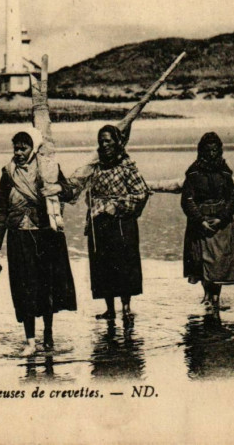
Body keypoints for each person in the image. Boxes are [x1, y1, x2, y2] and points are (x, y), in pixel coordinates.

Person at [0, 128, 77, 356]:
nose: (18, 153)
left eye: (23, 148)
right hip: (19, 237)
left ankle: (48, 335)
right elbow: (1, 210)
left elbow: (69, 192)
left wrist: (57, 188)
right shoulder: (8, 174)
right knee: (24, 289)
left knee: (47, 288)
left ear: (33, 148)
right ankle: (30, 342)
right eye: (15, 148)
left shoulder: (49, 168)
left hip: (46, 235)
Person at [84, 125, 150, 322]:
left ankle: (126, 307)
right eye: (101, 141)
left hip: (122, 223)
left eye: (108, 141)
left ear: (117, 142)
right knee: (103, 265)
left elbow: (141, 193)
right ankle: (110, 309)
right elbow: (89, 192)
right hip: (100, 222)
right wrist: (96, 203)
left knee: (124, 264)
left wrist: (118, 205)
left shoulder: (127, 166)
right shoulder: (95, 167)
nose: (104, 145)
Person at [181, 132, 234, 310]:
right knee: (201, 260)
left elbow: (232, 199)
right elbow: (187, 200)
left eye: (215, 150)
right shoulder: (193, 173)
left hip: (220, 222)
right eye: (208, 150)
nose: (211, 154)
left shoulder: (225, 173)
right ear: (201, 151)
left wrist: (221, 218)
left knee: (219, 261)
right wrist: (200, 220)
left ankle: (215, 297)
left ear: (219, 151)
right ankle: (207, 295)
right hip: (200, 223)